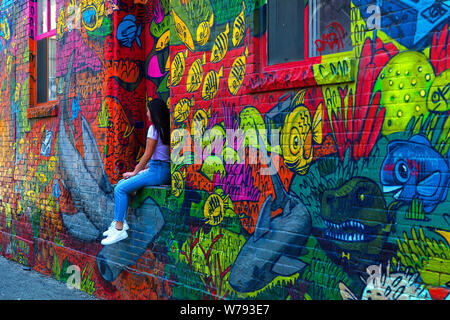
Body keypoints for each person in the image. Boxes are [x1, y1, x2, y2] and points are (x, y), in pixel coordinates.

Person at [101, 98, 171, 245]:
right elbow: (158, 156)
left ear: (154, 112)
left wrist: (134, 172)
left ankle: (119, 229)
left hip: (157, 170)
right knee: (122, 183)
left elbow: (147, 154)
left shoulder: (154, 129)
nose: (146, 113)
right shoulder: (167, 127)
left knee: (120, 188)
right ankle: (118, 222)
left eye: (148, 110)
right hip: (160, 169)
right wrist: (141, 172)